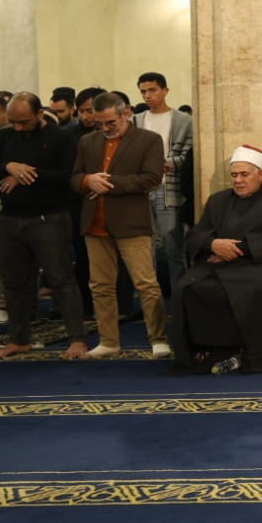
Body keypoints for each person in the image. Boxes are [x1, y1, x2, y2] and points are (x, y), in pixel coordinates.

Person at [167, 145, 262, 373]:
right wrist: (212, 244)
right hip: (219, 262)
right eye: (234, 175)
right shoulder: (218, 201)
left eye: (244, 174)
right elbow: (196, 234)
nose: (238, 180)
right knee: (186, 286)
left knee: (258, 287)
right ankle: (205, 352)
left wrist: (235, 250)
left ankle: (254, 355)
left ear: (260, 175)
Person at [0, 92, 87, 360]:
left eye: (24, 122)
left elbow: (67, 176)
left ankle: (77, 339)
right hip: (9, 220)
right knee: (14, 283)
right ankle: (19, 340)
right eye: (13, 121)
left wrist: (25, 174)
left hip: (50, 218)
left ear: (39, 114)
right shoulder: (3, 137)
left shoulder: (61, 137)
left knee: (61, 279)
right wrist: (8, 166)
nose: (18, 128)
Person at [71, 91, 169, 359]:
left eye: (110, 122)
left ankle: (158, 339)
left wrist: (108, 183)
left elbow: (151, 179)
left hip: (131, 223)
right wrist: (87, 181)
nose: (105, 128)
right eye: (99, 123)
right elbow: (75, 177)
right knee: (100, 286)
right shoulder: (87, 141)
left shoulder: (149, 140)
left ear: (126, 113)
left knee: (146, 284)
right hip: (95, 223)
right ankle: (108, 341)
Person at [134, 72, 194, 300]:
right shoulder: (137, 120)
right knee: (144, 251)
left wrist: (167, 163)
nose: (147, 96)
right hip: (142, 190)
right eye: (143, 92)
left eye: (152, 90)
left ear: (165, 91)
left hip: (168, 188)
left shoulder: (182, 120)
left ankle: (180, 301)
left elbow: (190, 153)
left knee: (173, 249)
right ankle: (150, 302)